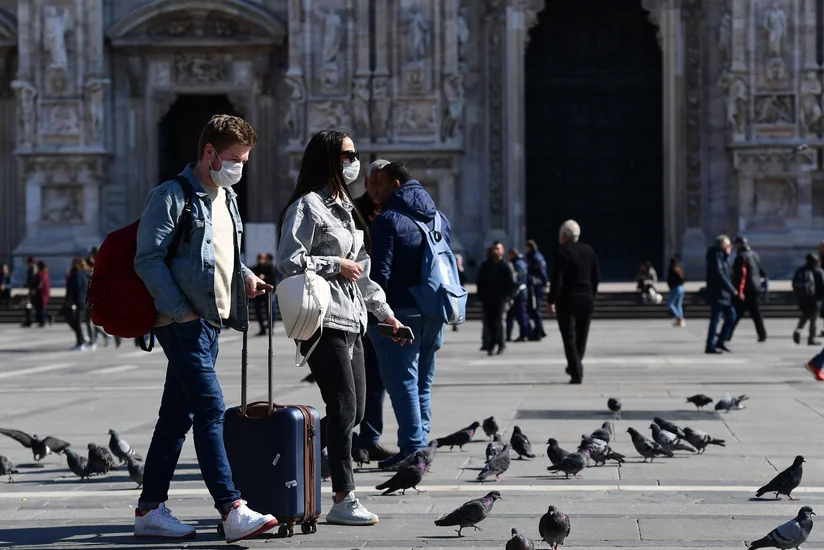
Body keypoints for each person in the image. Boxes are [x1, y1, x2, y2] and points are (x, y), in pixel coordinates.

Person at [134, 114, 277, 542]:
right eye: (234, 159)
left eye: (245, 161)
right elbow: (148, 259)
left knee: (175, 417)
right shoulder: (171, 195)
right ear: (210, 152)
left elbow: (221, 251)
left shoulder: (225, 197)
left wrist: (246, 276)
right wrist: (179, 311)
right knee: (211, 409)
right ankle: (232, 509)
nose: (239, 169)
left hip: (210, 321)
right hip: (182, 322)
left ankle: (149, 510)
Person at [276, 130, 406, 526]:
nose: (356, 161)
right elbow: (288, 261)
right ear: (330, 158)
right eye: (349, 154)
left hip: (354, 319)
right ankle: (343, 496)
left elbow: (362, 271)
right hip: (321, 318)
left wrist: (386, 315)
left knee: (358, 409)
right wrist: (334, 265)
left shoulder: (346, 209)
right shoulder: (307, 207)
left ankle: (305, 462)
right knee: (343, 403)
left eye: (356, 153)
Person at [367, 161, 453, 469]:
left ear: (396, 184)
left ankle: (413, 448)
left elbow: (381, 273)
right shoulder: (439, 218)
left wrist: (377, 313)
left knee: (402, 381)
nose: (371, 188)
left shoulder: (388, 220)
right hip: (433, 311)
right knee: (422, 381)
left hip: (399, 314)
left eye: (377, 181)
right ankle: (421, 445)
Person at [352, 158, 398, 462]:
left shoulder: (394, 211)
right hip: (359, 304)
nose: (377, 187)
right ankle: (346, 439)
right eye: (374, 181)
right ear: (367, 182)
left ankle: (369, 437)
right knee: (357, 382)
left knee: (377, 377)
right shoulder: (354, 211)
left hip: (381, 305)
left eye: (383, 182)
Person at [547, 220, 600, 384]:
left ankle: (576, 371)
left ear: (563, 236)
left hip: (567, 300)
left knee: (569, 337)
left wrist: (551, 300)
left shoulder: (560, 251)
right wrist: (592, 295)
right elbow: (596, 277)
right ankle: (575, 365)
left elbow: (557, 279)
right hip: (586, 299)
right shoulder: (589, 250)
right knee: (581, 336)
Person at [725, 236, 768, 343]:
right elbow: (760, 271)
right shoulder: (754, 254)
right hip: (755, 288)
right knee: (756, 314)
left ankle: (727, 334)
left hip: (746, 290)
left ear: (739, 245)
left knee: (735, 313)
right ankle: (762, 334)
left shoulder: (741, 256)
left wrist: (739, 291)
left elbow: (741, 275)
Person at [477, 241, 516, 355]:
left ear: (502, 251)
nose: (495, 251)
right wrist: (481, 295)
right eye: (494, 249)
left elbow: (512, 283)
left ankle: (500, 343)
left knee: (499, 322)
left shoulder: (506, 265)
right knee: (489, 322)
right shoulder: (486, 265)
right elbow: (480, 281)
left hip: (501, 299)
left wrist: (509, 297)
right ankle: (491, 344)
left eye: (498, 249)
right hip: (488, 299)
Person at [704, 234, 738, 354]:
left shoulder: (721, 256)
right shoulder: (715, 256)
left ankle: (720, 341)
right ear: (723, 245)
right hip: (718, 293)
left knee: (731, 316)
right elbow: (720, 275)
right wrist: (732, 289)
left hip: (723, 294)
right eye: (729, 245)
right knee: (716, 319)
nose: (730, 248)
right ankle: (710, 345)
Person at [793, 253, 824, 346]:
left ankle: (798, 330)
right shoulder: (818, 271)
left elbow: (794, 284)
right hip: (815, 300)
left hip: (803, 299)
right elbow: (822, 286)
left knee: (804, 316)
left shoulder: (800, 270)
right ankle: (812, 338)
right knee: (814, 320)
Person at [64, 257, 93, 351]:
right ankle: (85, 340)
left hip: (78, 301)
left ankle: (81, 342)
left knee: (77, 321)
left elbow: (74, 288)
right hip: (85, 300)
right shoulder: (85, 274)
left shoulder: (76, 274)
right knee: (83, 322)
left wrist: (69, 300)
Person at [505, 248, 531, 342]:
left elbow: (516, 281)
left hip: (518, 293)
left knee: (520, 315)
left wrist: (511, 296)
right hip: (521, 292)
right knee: (513, 315)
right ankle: (510, 335)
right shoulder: (522, 263)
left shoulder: (515, 265)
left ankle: (524, 334)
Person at [525, 239, 548, 340]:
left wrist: (545, 281)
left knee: (534, 309)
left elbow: (541, 272)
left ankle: (538, 332)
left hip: (535, 287)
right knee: (533, 309)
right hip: (535, 285)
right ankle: (540, 330)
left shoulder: (535, 258)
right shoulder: (534, 256)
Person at [251, 253, 276, 336]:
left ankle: (270, 327)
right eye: (259, 258)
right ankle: (262, 328)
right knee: (258, 311)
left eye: (262, 258)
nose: (260, 260)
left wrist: (265, 277)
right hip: (259, 293)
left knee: (270, 311)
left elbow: (273, 280)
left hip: (268, 293)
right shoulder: (256, 268)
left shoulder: (269, 267)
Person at [666, 255, 687, 327]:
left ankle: (679, 318)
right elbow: (684, 278)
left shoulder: (672, 270)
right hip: (681, 288)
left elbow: (670, 280)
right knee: (678, 304)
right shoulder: (679, 269)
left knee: (670, 304)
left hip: (676, 288)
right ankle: (679, 321)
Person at [32, 260, 50, 327]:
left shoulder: (40, 274)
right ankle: (44, 319)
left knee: (41, 307)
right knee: (42, 307)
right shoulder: (45, 273)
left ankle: (42, 321)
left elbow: (38, 283)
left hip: (41, 293)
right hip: (45, 292)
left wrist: (34, 289)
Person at [21, 256, 37, 327]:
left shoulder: (33, 270)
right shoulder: (31, 269)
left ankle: (29, 320)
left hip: (32, 290)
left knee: (30, 305)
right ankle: (28, 320)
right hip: (31, 289)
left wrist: (32, 288)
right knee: (30, 305)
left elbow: (33, 280)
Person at [453, 254, 467, 332]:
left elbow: (464, 279)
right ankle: (455, 323)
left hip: (460, 291)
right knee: (454, 308)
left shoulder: (461, 269)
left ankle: (457, 321)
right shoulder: (452, 268)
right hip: (454, 291)